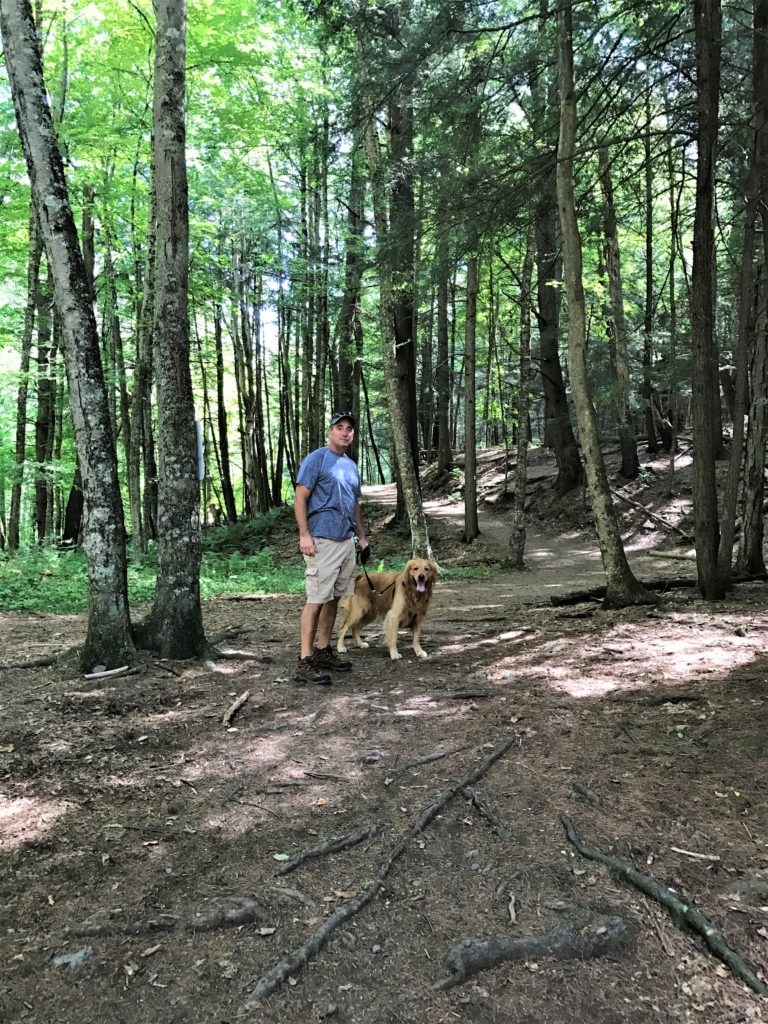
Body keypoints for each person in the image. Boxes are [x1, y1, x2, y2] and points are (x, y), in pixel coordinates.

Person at [293, 411, 369, 685]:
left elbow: (354, 503)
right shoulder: (316, 459)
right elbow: (300, 498)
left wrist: (361, 537)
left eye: (349, 428)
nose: (345, 432)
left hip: (345, 540)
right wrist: (305, 535)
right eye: (340, 427)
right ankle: (304, 660)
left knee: (335, 598)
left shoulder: (350, 465)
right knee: (316, 599)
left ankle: (323, 650)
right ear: (330, 431)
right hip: (321, 540)